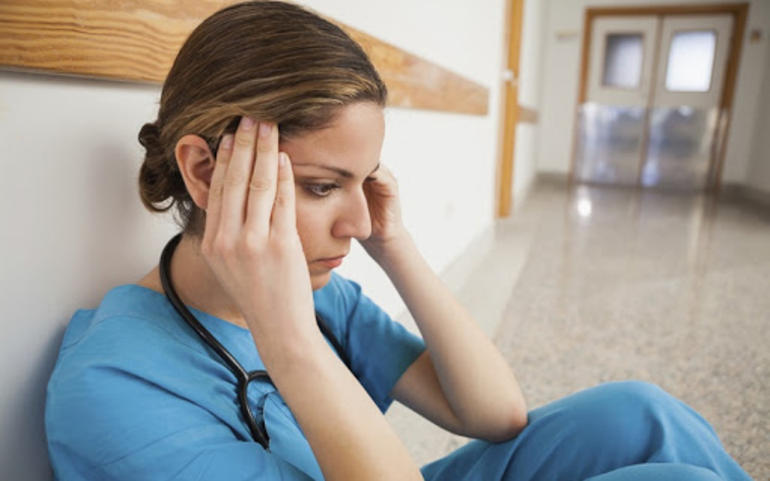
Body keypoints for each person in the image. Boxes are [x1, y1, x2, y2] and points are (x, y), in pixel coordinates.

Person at [45, 1, 753, 480]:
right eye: (322, 186)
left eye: (365, 180)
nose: (356, 222)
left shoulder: (326, 298)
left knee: (642, 412)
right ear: (205, 172)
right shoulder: (113, 386)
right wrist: (287, 340)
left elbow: (495, 414)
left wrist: (397, 244)